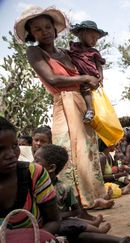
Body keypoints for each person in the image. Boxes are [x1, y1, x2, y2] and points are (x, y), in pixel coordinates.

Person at [16, 6, 105, 210]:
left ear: (55, 29)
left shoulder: (67, 53)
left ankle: (89, 201)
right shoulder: (34, 51)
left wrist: (93, 78)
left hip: (83, 104)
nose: (45, 31)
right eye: (38, 29)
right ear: (31, 34)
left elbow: (89, 74)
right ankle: (75, 206)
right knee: (68, 153)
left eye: (48, 26)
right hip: (63, 104)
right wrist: (84, 78)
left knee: (86, 153)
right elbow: (52, 78)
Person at [34, 144, 118, 242]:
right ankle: (96, 226)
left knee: (74, 222)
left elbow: (76, 211)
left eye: (36, 160)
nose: (32, 164)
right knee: (73, 222)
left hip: (60, 220)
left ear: (51, 168)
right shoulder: (33, 185)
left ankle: (98, 230)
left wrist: (60, 215)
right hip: (49, 223)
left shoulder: (64, 188)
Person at [0, 116, 60, 238]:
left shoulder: (34, 174)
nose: (11, 155)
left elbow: (54, 221)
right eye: (0, 149)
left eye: (14, 146)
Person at [68, 20, 108, 123]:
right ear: (81, 34)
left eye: (96, 39)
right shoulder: (74, 47)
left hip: (91, 76)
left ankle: (90, 110)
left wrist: (101, 76)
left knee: (85, 89)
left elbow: (99, 65)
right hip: (78, 75)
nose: (94, 40)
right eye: (92, 37)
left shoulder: (94, 52)